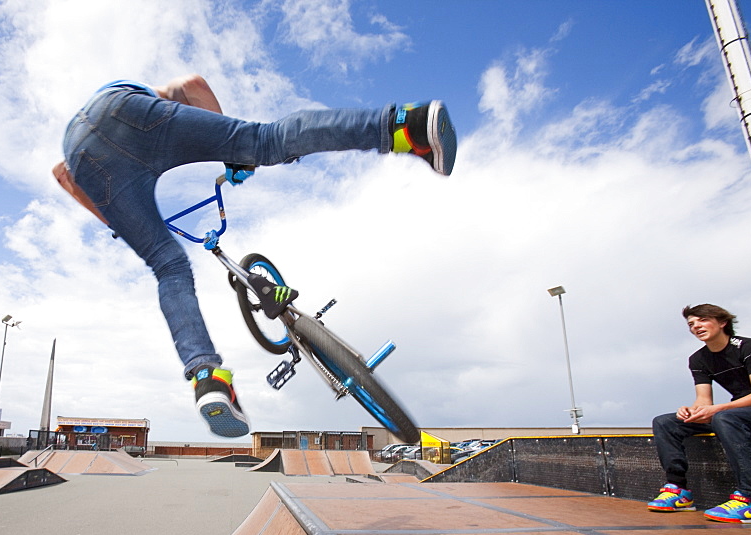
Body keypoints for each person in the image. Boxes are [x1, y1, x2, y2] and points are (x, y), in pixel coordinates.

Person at [53, 74, 456, 438]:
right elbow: (193, 85)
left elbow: (64, 176)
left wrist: (120, 220)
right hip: (124, 109)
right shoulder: (140, 92)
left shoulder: (75, 147)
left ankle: (208, 378)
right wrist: (233, 153)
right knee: (263, 140)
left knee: (168, 266)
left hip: (80, 157)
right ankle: (406, 126)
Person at [647, 304, 751, 523]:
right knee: (665, 422)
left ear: (722, 322)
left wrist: (717, 409)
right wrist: (691, 411)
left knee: (724, 417)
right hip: (735, 415)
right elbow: (704, 401)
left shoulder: (749, 347)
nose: (696, 326)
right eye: (691, 324)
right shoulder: (698, 359)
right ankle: (679, 492)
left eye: (702, 320)